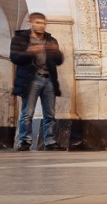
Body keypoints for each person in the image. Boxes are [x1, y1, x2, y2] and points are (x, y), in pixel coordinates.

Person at [10, 12, 65, 151]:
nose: (41, 26)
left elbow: (59, 61)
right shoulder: (20, 39)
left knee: (50, 114)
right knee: (27, 113)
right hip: (31, 80)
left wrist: (56, 52)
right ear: (31, 23)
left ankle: (50, 141)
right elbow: (15, 58)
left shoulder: (51, 40)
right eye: (38, 23)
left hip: (49, 80)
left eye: (43, 23)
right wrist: (31, 51)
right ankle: (25, 141)